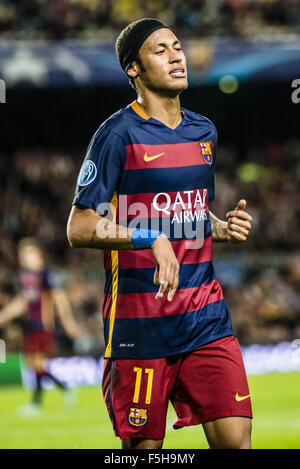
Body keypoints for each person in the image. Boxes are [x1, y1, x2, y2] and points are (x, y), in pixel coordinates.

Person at [67, 18, 253, 449]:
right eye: (160, 50)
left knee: (238, 442)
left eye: (178, 46)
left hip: (207, 317)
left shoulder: (204, 132)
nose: (176, 55)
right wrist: (149, 238)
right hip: (140, 326)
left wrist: (219, 227)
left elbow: (186, 213)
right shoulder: (116, 135)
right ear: (134, 68)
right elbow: (79, 227)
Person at [0, 237, 84, 415]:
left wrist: (68, 323)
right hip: (31, 324)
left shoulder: (46, 274)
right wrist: (4, 315)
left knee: (37, 363)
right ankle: (63, 389)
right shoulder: (25, 276)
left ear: (39, 256)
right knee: (34, 364)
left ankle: (38, 403)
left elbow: (59, 298)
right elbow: (23, 302)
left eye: (30, 254)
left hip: (44, 324)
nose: (26, 258)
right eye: (24, 255)